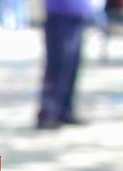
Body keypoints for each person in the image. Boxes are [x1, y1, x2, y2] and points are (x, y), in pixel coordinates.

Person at [37, 0, 96, 129]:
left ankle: (65, 110)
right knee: (57, 66)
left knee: (71, 66)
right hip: (60, 13)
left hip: (77, 13)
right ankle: (48, 113)